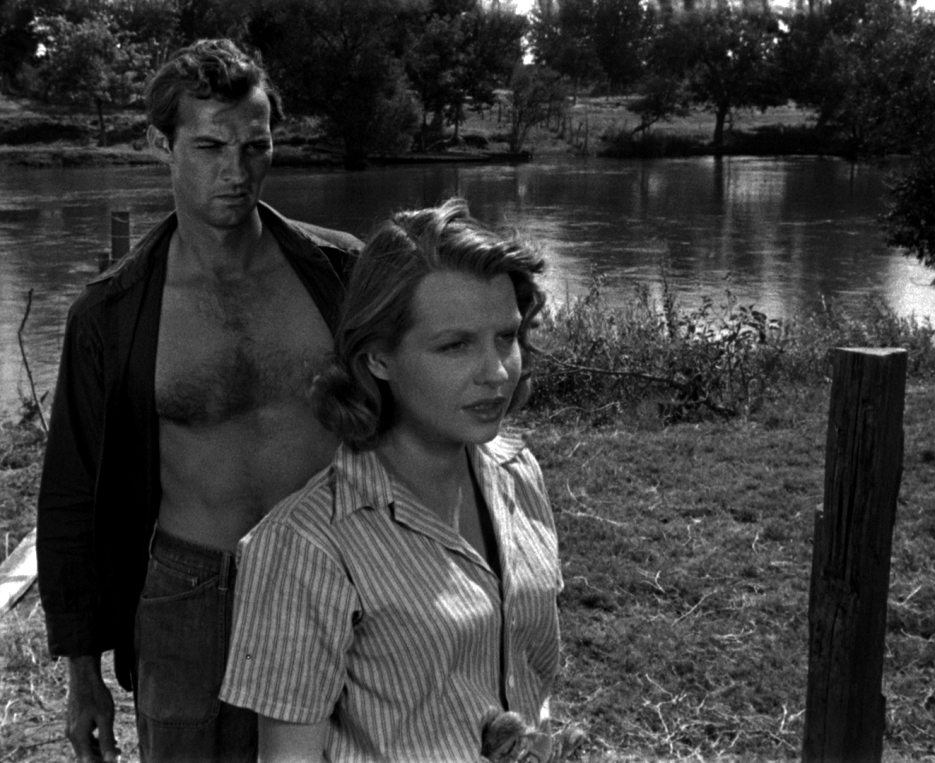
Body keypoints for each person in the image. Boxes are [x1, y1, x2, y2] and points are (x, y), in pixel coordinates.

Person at [35, 38, 361, 763]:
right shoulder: (111, 314)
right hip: (192, 593)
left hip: (335, 576)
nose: (236, 172)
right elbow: (71, 494)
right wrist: (83, 674)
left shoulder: (341, 273)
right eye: (210, 146)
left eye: (255, 146)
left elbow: (413, 414)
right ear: (162, 145)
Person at [219, 199, 581, 762]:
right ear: (378, 358)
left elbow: (529, 680)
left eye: (506, 337)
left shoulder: (519, 475)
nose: (496, 373)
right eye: (455, 345)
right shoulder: (304, 547)